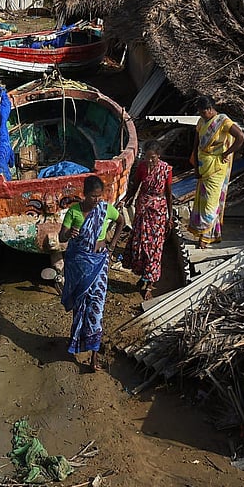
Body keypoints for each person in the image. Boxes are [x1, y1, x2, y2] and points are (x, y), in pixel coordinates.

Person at [59, 175, 125, 372]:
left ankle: (94, 356)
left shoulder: (106, 210)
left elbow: (121, 222)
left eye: (99, 196)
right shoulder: (74, 212)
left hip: (99, 264)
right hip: (79, 264)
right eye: (93, 196)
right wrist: (68, 234)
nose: (96, 200)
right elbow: (61, 236)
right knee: (81, 307)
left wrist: (111, 246)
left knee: (96, 308)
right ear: (84, 194)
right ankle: (78, 342)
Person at [188, 95, 244, 249]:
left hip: (217, 167)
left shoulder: (223, 121)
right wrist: (195, 167)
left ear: (209, 109)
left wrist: (226, 153)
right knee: (201, 201)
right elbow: (196, 143)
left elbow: (241, 136)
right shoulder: (201, 121)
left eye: (202, 111)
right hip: (203, 165)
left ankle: (206, 238)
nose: (201, 114)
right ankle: (202, 232)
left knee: (210, 203)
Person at [120, 140, 173, 300]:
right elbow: (135, 186)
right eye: (148, 157)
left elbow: (169, 194)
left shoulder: (166, 170)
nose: (150, 161)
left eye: (154, 158)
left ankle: (150, 284)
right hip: (142, 210)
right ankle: (143, 276)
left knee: (154, 248)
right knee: (140, 244)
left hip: (158, 212)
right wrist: (127, 199)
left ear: (159, 156)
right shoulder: (142, 167)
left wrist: (170, 216)